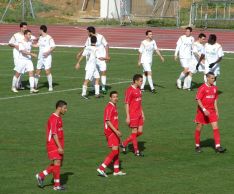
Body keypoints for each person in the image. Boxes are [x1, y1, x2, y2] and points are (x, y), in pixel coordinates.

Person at [36, 100, 68, 191]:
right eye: (65, 108)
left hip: (58, 144)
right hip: (53, 144)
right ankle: (56, 185)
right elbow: (54, 134)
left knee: (58, 164)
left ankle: (41, 175)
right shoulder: (53, 118)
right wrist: (59, 147)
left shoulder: (59, 117)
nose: (66, 110)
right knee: (57, 164)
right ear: (59, 107)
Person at [194, 72, 226, 153]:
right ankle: (197, 146)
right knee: (199, 128)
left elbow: (215, 100)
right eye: (212, 78)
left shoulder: (215, 88)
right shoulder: (202, 88)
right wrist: (204, 110)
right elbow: (198, 99)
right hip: (202, 111)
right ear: (207, 78)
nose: (213, 79)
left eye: (214, 78)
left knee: (215, 127)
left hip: (211, 111)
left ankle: (218, 146)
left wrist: (217, 111)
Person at [97, 91, 126, 177]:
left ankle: (116, 171)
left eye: (116, 96)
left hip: (114, 131)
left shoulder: (114, 106)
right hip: (111, 132)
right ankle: (102, 168)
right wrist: (116, 131)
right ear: (110, 98)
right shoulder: (109, 107)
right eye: (114, 97)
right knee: (114, 151)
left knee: (116, 151)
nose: (116, 98)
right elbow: (108, 121)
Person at [77, 26, 110, 94]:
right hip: (93, 59)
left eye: (87, 32)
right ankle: (93, 88)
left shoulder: (101, 37)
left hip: (101, 58)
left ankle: (103, 88)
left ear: (90, 32)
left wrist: (106, 55)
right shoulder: (89, 38)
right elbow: (86, 46)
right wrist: (80, 52)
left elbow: (106, 45)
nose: (87, 33)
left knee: (103, 72)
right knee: (94, 73)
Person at [121, 74, 145, 156]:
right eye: (141, 81)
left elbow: (139, 102)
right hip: (133, 114)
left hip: (139, 114)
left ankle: (124, 143)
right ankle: (136, 151)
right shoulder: (129, 90)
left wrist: (142, 113)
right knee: (134, 132)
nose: (142, 82)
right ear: (136, 81)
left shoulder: (139, 89)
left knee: (140, 132)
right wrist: (128, 116)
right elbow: (126, 103)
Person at [34, 25, 56, 91]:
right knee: (37, 71)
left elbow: (53, 46)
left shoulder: (49, 38)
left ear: (42, 30)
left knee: (47, 71)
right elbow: (37, 45)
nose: (38, 31)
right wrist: (30, 44)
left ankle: (50, 86)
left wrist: (47, 52)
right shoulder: (40, 38)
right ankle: (35, 86)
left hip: (47, 57)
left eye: (39, 30)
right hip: (40, 57)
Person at [8, 22, 28, 90]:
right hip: (17, 54)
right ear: (21, 28)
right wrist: (15, 45)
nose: (26, 28)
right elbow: (10, 43)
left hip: (24, 55)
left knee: (22, 70)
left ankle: (19, 84)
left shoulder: (27, 35)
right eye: (24, 27)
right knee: (18, 69)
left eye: (26, 27)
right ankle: (15, 86)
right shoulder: (16, 35)